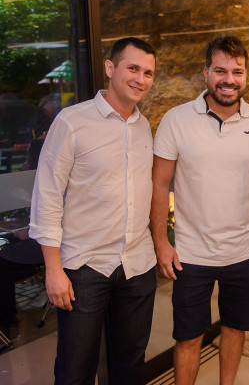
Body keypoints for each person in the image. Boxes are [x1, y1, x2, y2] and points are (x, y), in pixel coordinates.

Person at [150, 35, 249, 385]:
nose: (229, 79)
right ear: (206, 73)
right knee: (189, 337)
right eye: (221, 71)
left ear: (245, 75)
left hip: (244, 251)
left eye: (237, 72)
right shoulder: (176, 120)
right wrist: (161, 243)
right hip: (191, 254)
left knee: (235, 329)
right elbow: (159, 185)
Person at [29, 37, 158, 384]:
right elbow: (47, 197)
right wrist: (53, 270)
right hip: (84, 269)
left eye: (148, 73)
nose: (140, 79)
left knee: (129, 365)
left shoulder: (143, 126)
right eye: (133, 68)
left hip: (136, 265)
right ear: (110, 68)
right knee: (75, 370)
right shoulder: (72, 122)